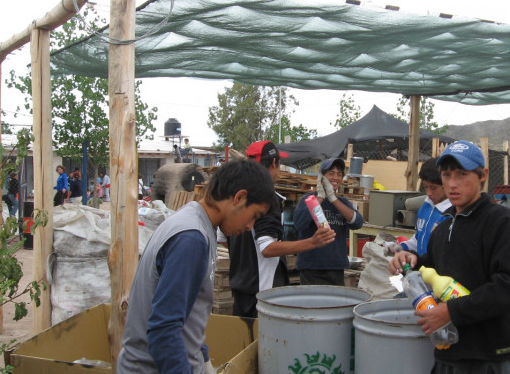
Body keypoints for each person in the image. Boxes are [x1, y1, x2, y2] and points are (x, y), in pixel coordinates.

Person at [117, 159, 276, 374]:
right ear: (240, 197)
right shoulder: (191, 238)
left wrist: (202, 356)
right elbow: (164, 329)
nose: (250, 226)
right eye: (254, 216)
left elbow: (188, 313)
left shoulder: (198, 225)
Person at [388, 140, 510, 374]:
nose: (452, 184)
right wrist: (410, 259)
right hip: (449, 350)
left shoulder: (499, 221)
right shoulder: (444, 227)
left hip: (489, 354)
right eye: (446, 174)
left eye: (462, 174)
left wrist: (451, 311)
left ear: (482, 175)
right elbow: (430, 267)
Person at [224, 141, 336, 318]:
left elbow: (223, 238)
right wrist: (312, 242)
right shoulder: (267, 198)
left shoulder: (235, 195)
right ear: (275, 163)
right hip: (262, 293)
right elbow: (267, 248)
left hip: (239, 288)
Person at [293, 157, 364, 285]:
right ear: (321, 177)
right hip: (311, 268)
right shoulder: (309, 199)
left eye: (339, 174)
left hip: (336, 268)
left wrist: (333, 199)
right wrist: (320, 197)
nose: (335, 178)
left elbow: (357, 222)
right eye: (331, 173)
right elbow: (299, 223)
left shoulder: (343, 202)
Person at [388, 157, 451, 256]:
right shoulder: (426, 207)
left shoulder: (450, 214)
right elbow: (419, 239)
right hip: (422, 268)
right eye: (426, 187)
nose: (428, 193)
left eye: (433, 188)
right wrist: (401, 247)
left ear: (447, 184)